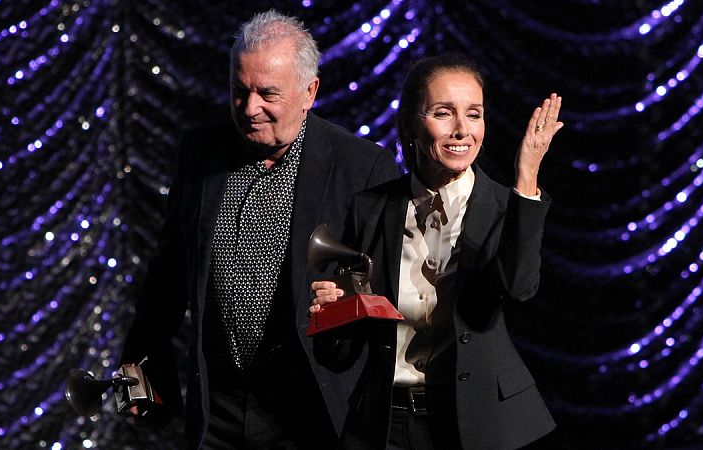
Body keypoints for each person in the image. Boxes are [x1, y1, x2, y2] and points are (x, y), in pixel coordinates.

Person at [118, 9, 400, 450]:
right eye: (239, 91)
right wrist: (138, 361)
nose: (250, 109)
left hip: (311, 406)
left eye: (268, 93)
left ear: (310, 92)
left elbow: (387, 296)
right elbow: (168, 274)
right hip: (219, 406)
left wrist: (350, 301)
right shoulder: (200, 154)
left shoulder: (364, 168)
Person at [309, 54, 561, 449]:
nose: (462, 130)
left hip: (478, 425)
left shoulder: (506, 206)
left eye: (474, 114)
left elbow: (518, 287)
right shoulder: (371, 208)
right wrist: (332, 318)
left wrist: (527, 177)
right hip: (386, 424)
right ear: (410, 123)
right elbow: (343, 355)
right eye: (444, 113)